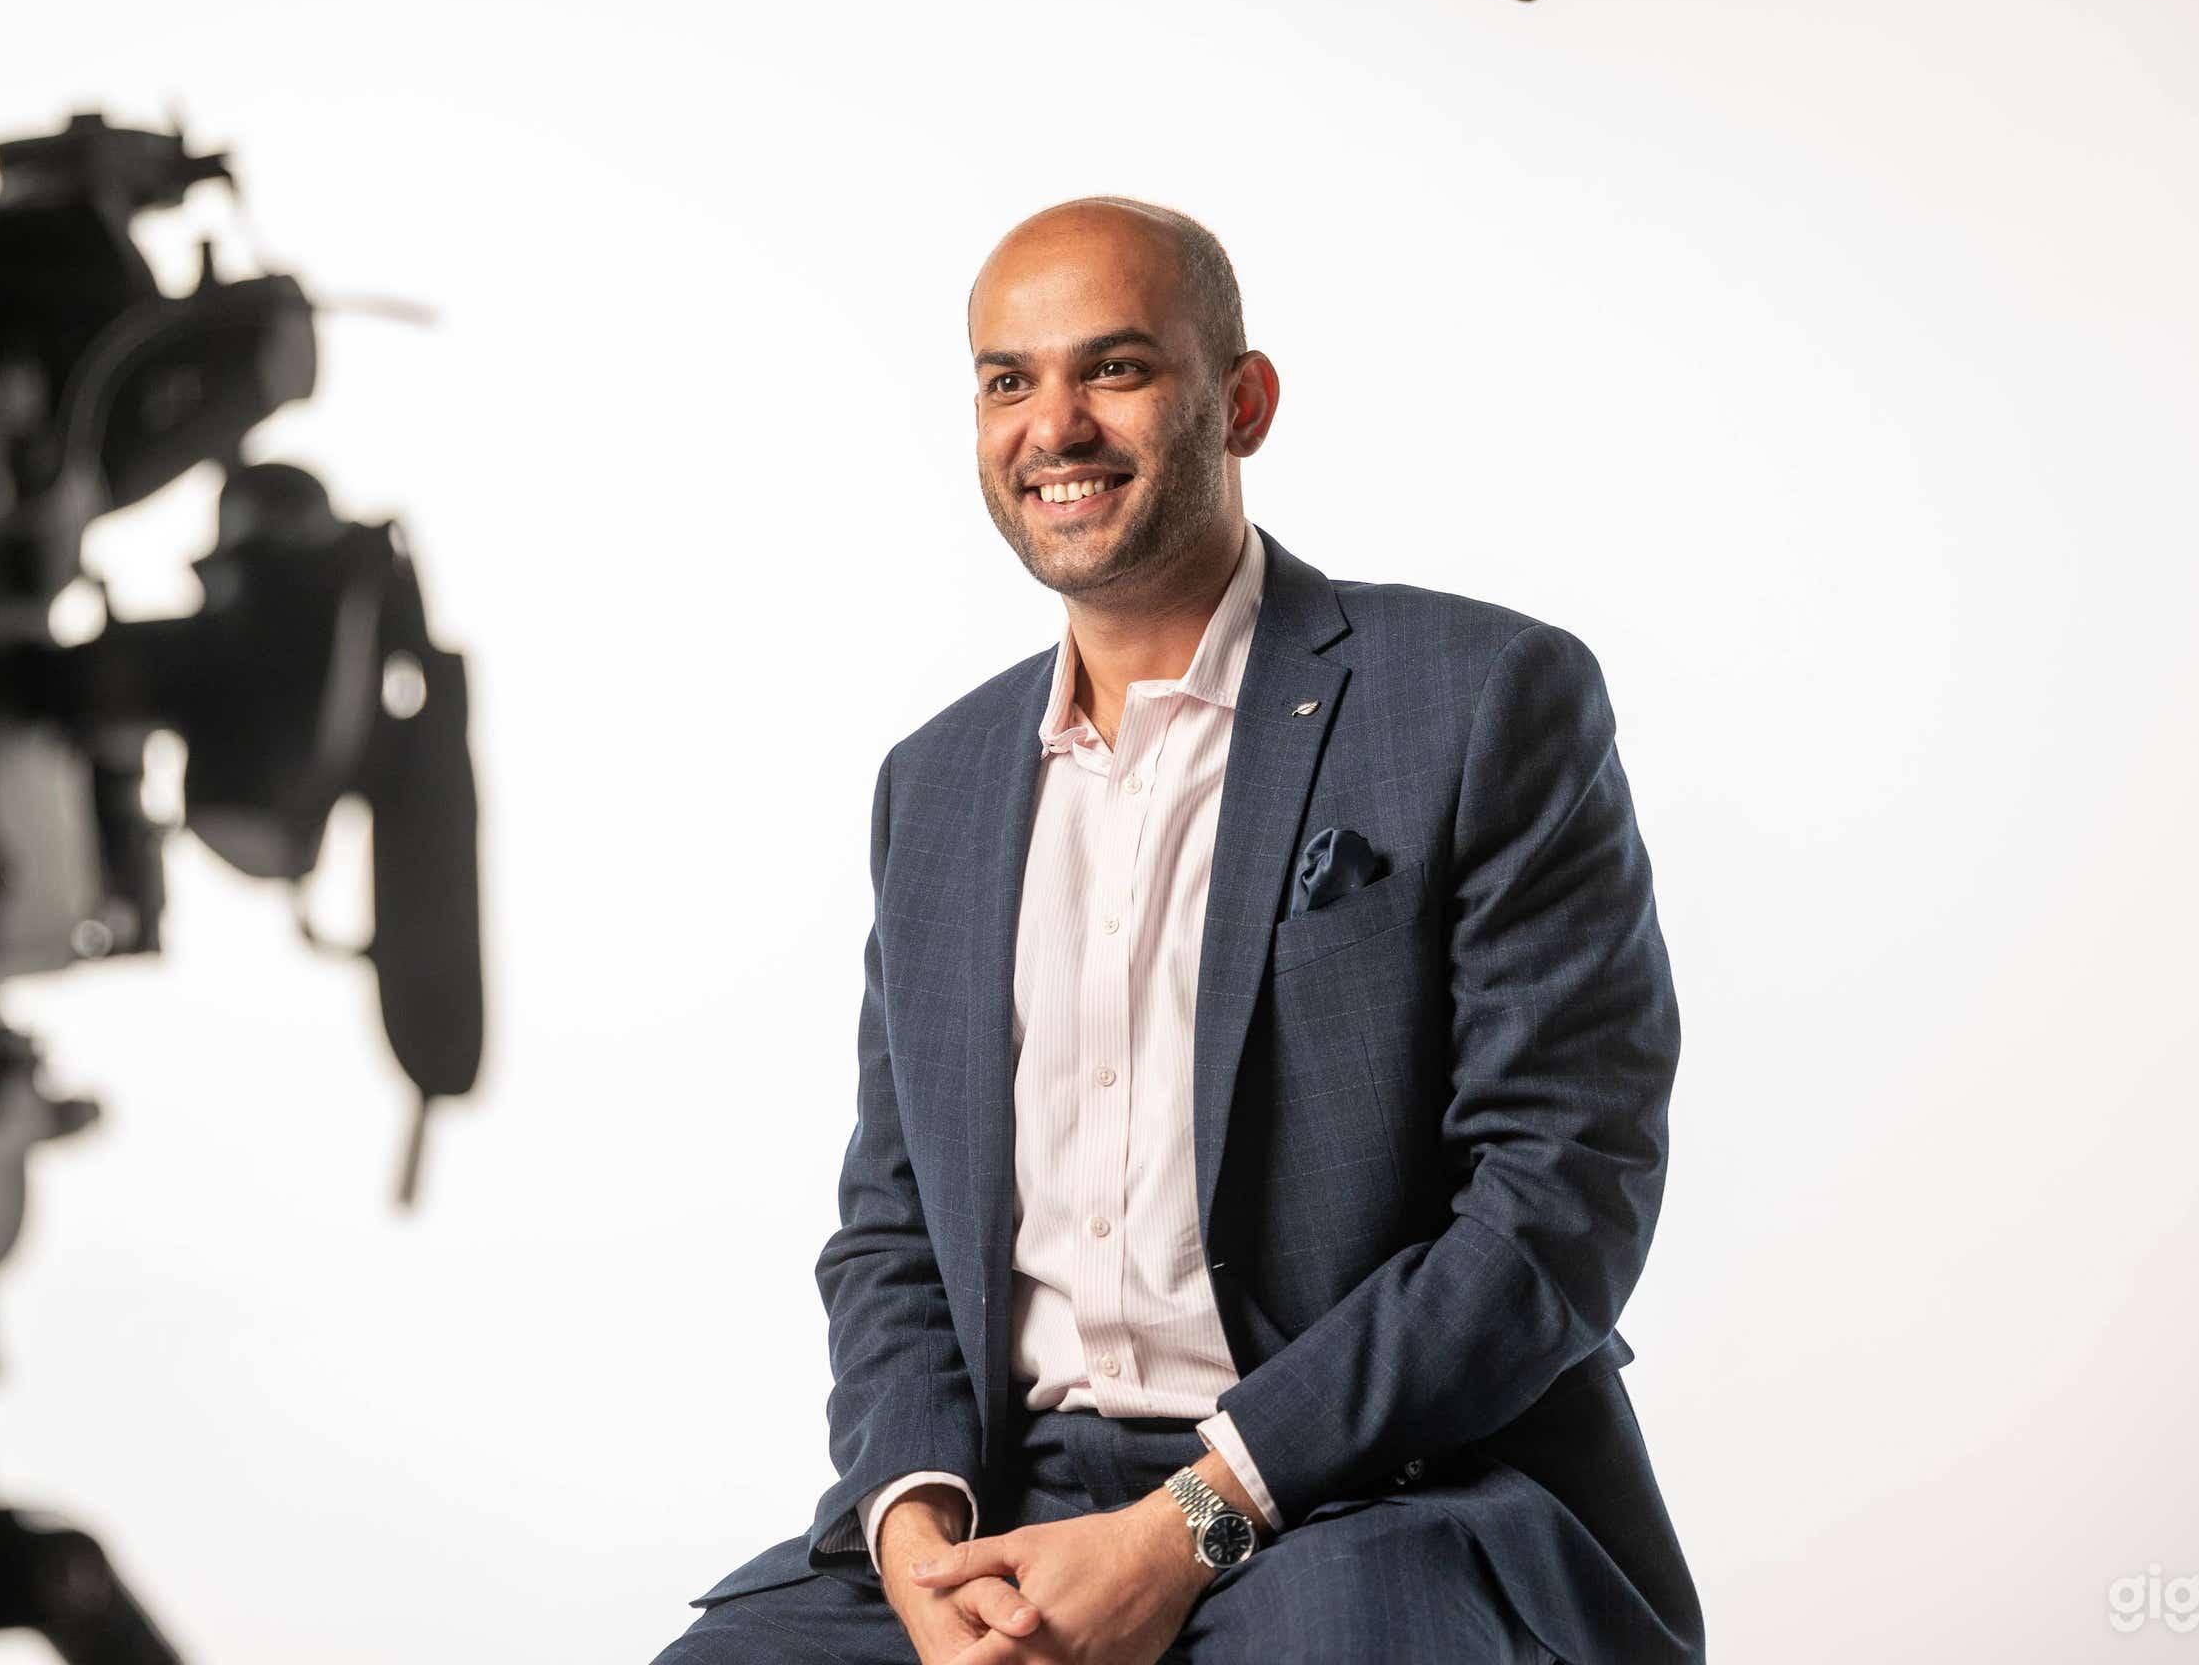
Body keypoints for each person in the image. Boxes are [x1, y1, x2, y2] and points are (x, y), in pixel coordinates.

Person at [653, 198, 1702, 1664]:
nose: (1054, 425)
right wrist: (913, 1534)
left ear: (1243, 403)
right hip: (1009, 1498)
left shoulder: (1476, 699)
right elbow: (894, 1226)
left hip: (1373, 1490)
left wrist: (1194, 1521)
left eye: (1117, 369)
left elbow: (1557, 1200)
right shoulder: (939, 787)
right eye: (1008, 380)